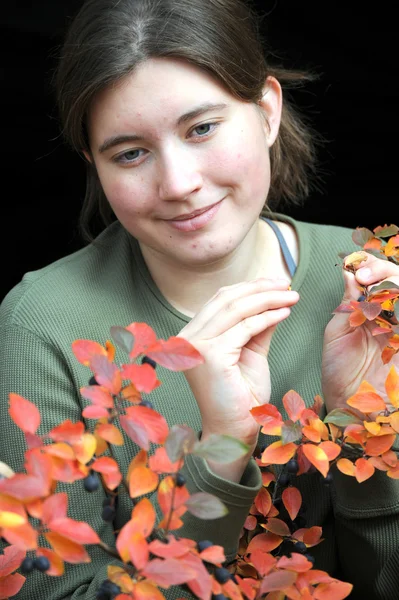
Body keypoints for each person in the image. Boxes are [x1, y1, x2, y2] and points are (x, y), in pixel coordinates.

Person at [1, 0, 399, 598]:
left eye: (202, 129)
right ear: (94, 164)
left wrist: (365, 425)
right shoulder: (46, 323)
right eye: (130, 152)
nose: (179, 183)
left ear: (266, 111)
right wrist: (221, 450)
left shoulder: (378, 289)